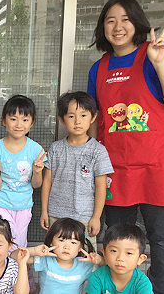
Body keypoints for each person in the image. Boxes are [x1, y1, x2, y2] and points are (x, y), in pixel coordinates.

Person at [87, 0, 164, 293]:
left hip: (156, 164)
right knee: (116, 239)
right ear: (102, 28)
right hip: (116, 167)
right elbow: (95, 121)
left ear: (137, 23)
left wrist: (159, 63)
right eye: (110, 20)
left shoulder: (156, 53)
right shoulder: (99, 68)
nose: (117, 27)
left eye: (125, 19)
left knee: (162, 239)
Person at [40, 91, 114, 249]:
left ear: (93, 118)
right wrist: (44, 211)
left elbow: (101, 186)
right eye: (71, 116)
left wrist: (96, 217)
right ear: (61, 119)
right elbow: (47, 181)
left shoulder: (98, 151)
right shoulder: (56, 148)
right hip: (56, 215)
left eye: (83, 115)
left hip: (84, 217)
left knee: (85, 257)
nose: (77, 121)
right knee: (56, 254)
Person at [0, 95, 46, 249]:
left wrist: (37, 172)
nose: (19, 124)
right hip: (0, 203)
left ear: (32, 123)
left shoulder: (36, 150)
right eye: (13, 119)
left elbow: (37, 185)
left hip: (24, 205)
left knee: (20, 242)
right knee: (5, 240)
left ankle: (20, 271)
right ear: (4, 121)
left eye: (25, 119)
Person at [24, 218, 102, 294]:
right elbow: (15, 256)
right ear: (51, 242)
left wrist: (101, 261)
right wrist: (34, 250)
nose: (66, 247)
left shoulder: (85, 264)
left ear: (80, 247)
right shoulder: (46, 260)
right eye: (61, 240)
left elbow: (111, 268)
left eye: (73, 242)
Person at [84, 223, 152, 294]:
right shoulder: (97, 277)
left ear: (140, 259)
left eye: (129, 253)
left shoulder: (142, 282)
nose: (120, 258)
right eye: (114, 251)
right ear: (104, 253)